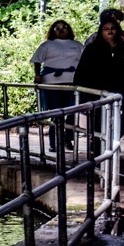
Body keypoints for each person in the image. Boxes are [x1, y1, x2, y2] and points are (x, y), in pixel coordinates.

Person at [73, 16, 124, 145]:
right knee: (99, 118)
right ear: (101, 31)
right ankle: (96, 146)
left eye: (112, 28)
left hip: (120, 86)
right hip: (98, 87)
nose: (110, 31)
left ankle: (113, 137)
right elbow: (82, 68)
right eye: (106, 29)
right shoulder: (93, 48)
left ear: (117, 30)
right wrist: (79, 88)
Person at [31, 19, 83, 149]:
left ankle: (67, 138)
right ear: (52, 31)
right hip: (52, 83)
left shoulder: (77, 45)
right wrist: (37, 75)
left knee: (72, 111)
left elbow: (84, 62)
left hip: (72, 82)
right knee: (56, 113)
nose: (61, 30)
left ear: (68, 29)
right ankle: (54, 142)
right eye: (57, 28)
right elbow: (37, 60)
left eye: (64, 27)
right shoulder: (47, 45)